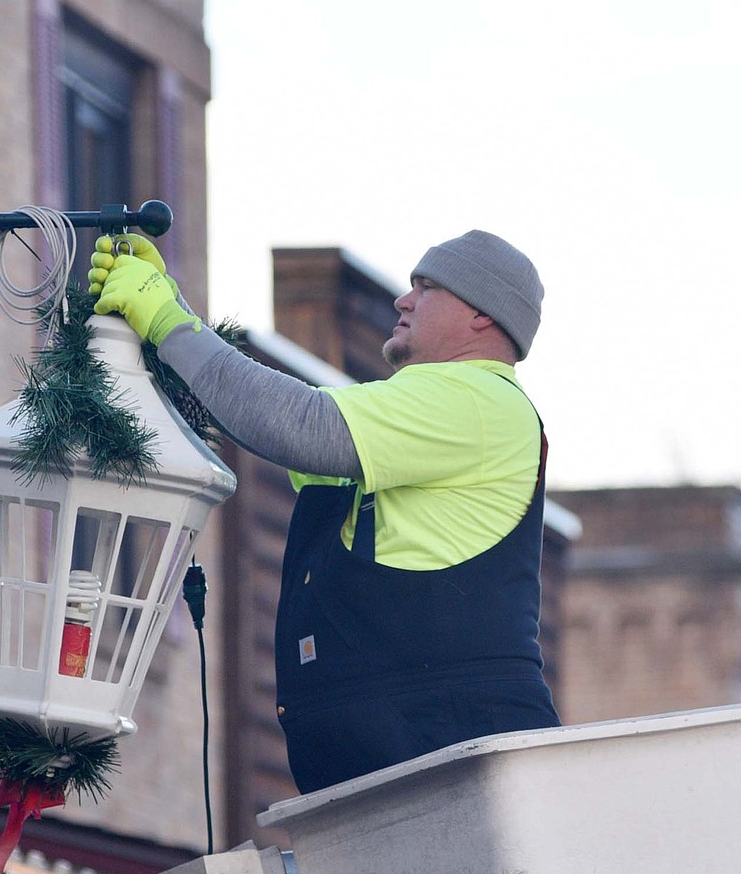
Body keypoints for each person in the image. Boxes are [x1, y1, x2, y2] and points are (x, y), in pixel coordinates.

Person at [88, 230, 561, 794]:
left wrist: (166, 318)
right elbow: (262, 417)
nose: (403, 301)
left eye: (427, 287)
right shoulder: (431, 412)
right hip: (420, 763)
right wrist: (171, 309)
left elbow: (297, 426)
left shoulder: (476, 399)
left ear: (482, 315)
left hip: (453, 763)